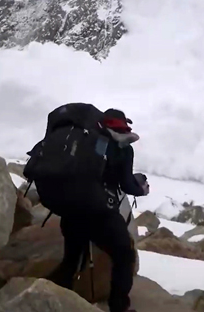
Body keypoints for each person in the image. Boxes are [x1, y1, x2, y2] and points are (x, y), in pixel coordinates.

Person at [49, 108, 149, 312]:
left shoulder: (85, 139)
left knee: (72, 259)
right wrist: (141, 189)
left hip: (70, 210)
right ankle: (119, 306)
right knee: (124, 255)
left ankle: (51, 299)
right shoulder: (122, 147)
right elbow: (127, 184)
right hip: (99, 215)